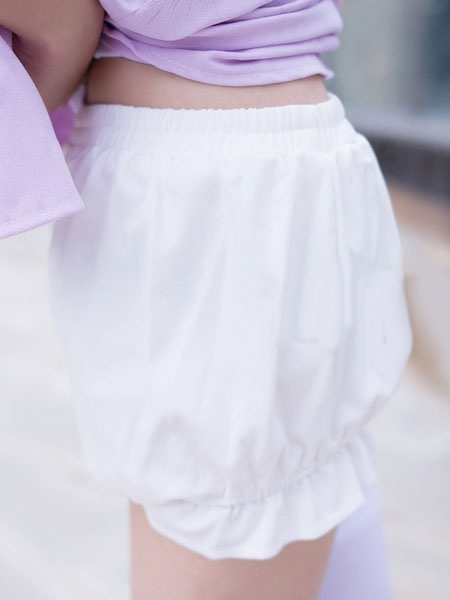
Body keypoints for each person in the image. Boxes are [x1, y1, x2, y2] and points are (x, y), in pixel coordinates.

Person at [3, 1, 414, 598]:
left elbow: (59, 19)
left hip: (210, 193)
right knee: (307, 491)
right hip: (264, 165)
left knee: (252, 505)